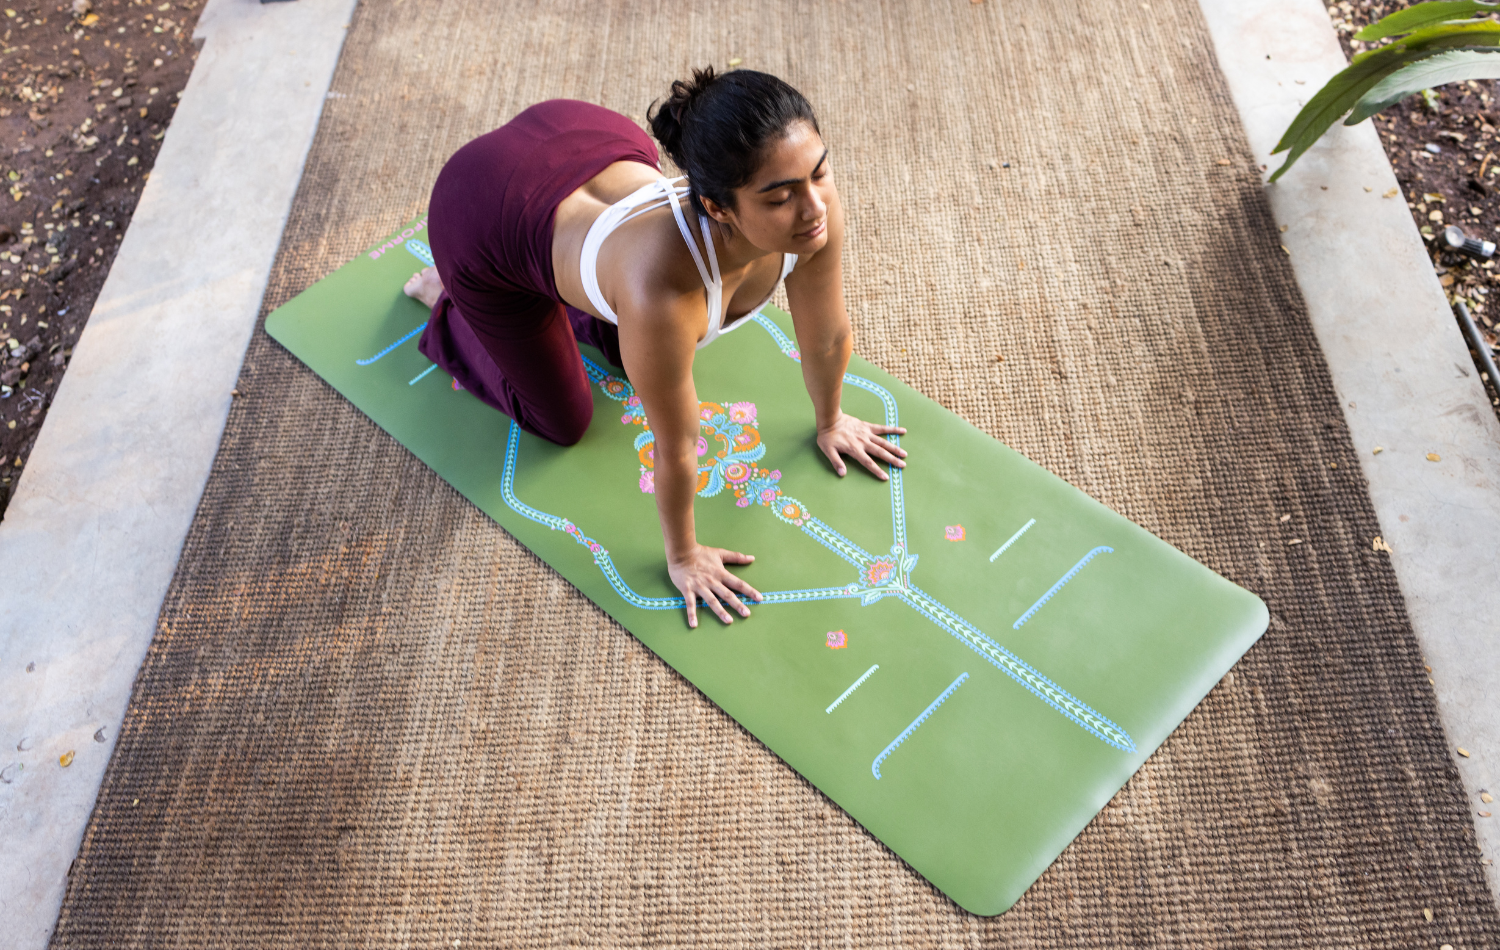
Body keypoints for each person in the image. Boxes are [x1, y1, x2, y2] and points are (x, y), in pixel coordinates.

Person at [404, 67, 907, 629]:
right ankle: (452, 304)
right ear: (718, 208)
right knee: (565, 420)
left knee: (636, 349)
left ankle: (579, 299)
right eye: (781, 197)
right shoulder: (661, 294)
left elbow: (828, 333)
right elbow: (675, 445)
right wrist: (684, 556)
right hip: (481, 207)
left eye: (819, 173)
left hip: (583, 134)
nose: (813, 207)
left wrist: (832, 420)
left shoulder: (813, 216)